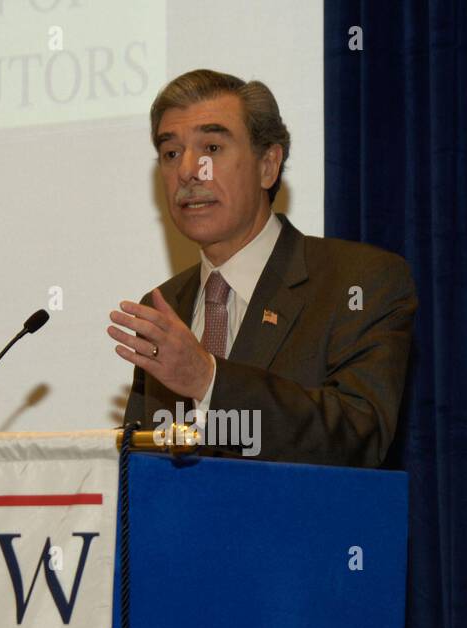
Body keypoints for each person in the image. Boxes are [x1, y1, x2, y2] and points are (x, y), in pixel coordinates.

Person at [109, 69, 417, 468]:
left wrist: (209, 380)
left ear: (268, 165)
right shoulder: (164, 305)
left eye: (212, 148)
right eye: (171, 153)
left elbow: (359, 436)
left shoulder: (358, 282)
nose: (188, 170)